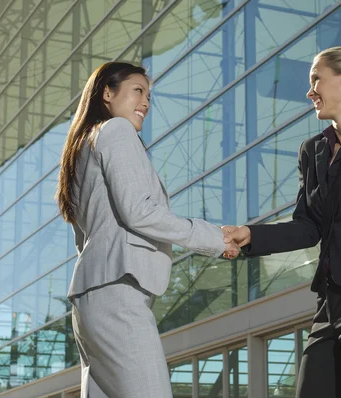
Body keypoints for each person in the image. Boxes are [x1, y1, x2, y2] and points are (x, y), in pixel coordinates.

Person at [222, 46, 341, 397]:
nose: (310, 92)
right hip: (329, 302)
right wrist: (250, 235)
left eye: (316, 80)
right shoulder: (313, 151)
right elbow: (308, 226)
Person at [55, 62, 239, 398]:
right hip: (118, 293)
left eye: (149, 96)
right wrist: (214, 238)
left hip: (90, 301)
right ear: (107, 94)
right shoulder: (116, 131)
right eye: (137, 91)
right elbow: (139, 211)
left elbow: (84, 237)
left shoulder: (82, 147)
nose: (146, 102)